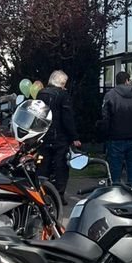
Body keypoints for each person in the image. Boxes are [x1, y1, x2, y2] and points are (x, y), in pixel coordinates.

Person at [37, 70, 81, 204]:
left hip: (43, 135)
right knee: (60, 166)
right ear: (62, 83)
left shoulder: (41, 94)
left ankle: (42, 192)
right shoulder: (63, 95)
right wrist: (74, 137)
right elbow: (67, 118)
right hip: (60, 136)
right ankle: (59, 195)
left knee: (43, 165)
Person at [102, 70, 132, 185]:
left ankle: (116, 190)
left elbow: (105, 117)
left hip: (115, 136)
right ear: (127, 80)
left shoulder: (110, 95)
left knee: (115, 167)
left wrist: (105, 135)